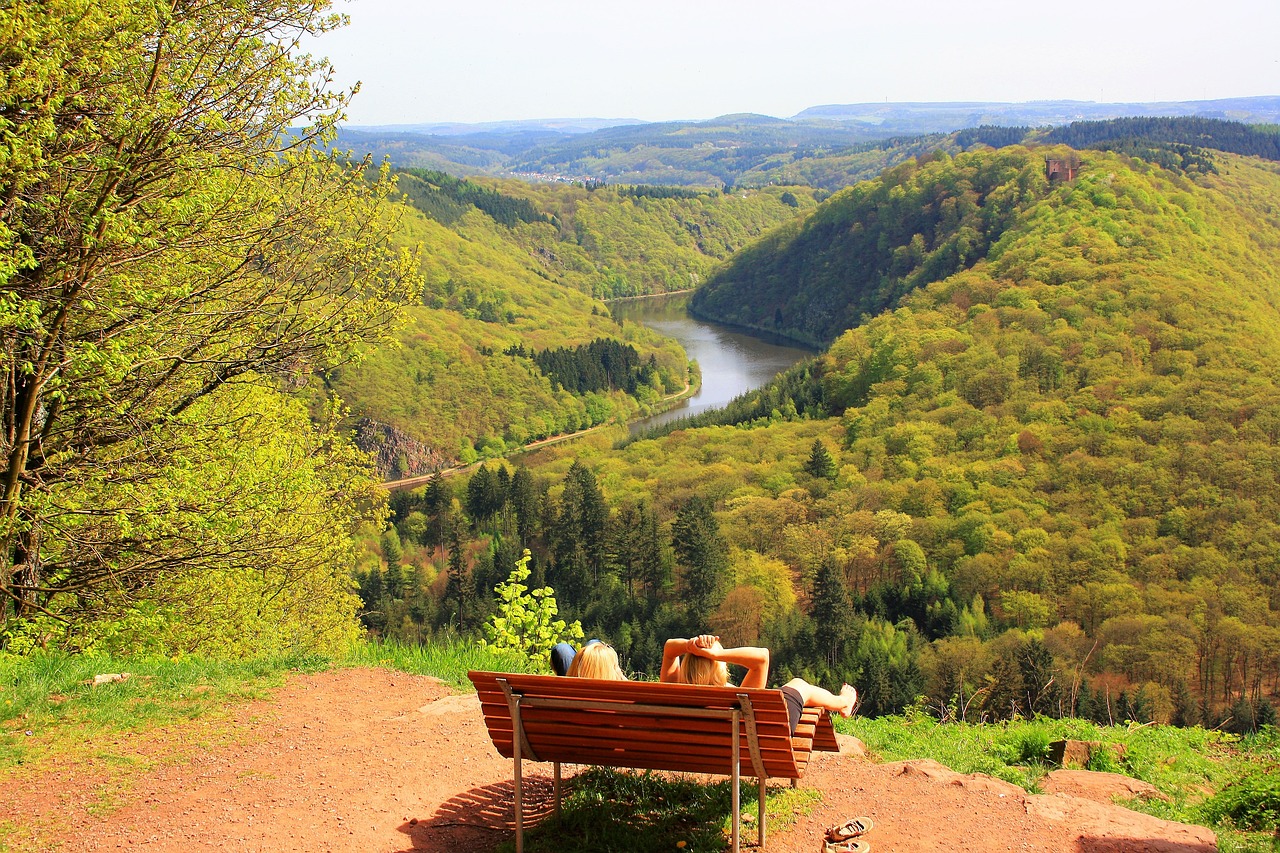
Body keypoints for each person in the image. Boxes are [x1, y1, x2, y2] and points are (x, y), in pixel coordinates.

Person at [660, 634, 857, 734]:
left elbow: (669, 648)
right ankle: (843, 702)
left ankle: (841, 702)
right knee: (799, 685)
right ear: (719, 666)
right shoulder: (735, 698)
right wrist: (717, 653)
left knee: (791, 689)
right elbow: (762, 657)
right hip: (755, 745)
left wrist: (690, 645)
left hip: (708, 748)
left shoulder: (672, 691)